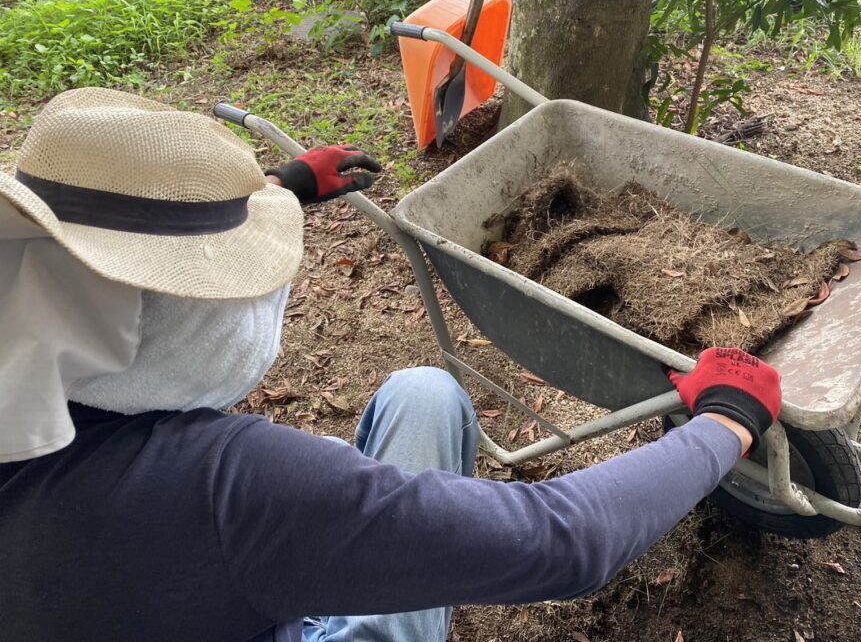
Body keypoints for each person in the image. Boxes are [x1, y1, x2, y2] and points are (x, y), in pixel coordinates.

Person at [0, 88, 782, 642]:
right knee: (426, 401)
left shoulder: (36, 386)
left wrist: (278, 191)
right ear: (180, 316)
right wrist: (724, 421)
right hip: (237, 573)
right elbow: (562, 543)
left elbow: (113, 269)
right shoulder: (229, 488)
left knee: (423, 391)